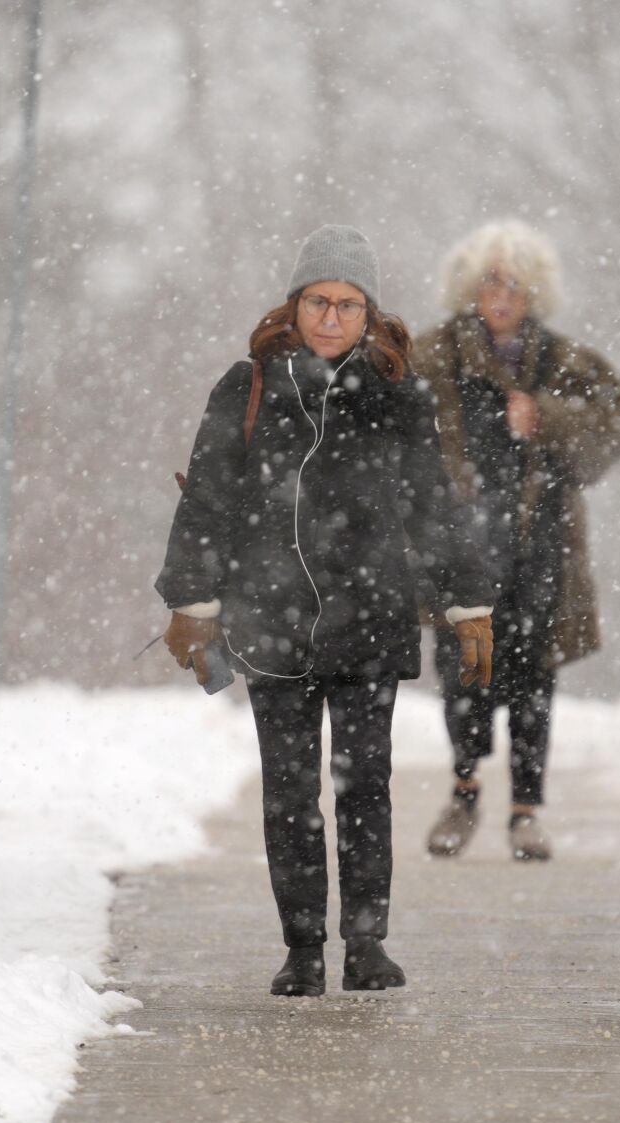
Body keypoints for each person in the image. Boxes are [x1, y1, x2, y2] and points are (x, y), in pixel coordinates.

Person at [157, 225, 494, 998]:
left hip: (371, 621)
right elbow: (206, 500)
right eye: (319, 301)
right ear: (295, 303)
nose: (332, 318)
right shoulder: (245, 387)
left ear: (368, 311)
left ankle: (366, 944)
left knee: (363, 786)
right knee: (288, 791)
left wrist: (467, 601)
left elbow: (432, 503)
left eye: (347, 304)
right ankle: (302, 948)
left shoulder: (397, 393)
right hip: (270, 621)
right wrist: (191, 600)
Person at [417, 221, 620, 863]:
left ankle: (525, 810)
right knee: (463, 676)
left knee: (532, 676)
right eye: (491, 281)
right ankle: (463, 793)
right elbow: (389, 425)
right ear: (470, 287)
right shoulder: (436, 358)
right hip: (459, 550)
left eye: (514, 282)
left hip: (543, 548)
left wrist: (546, 417)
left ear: (534, 289)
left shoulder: (563, 362)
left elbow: (618, 420)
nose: (503, 295)